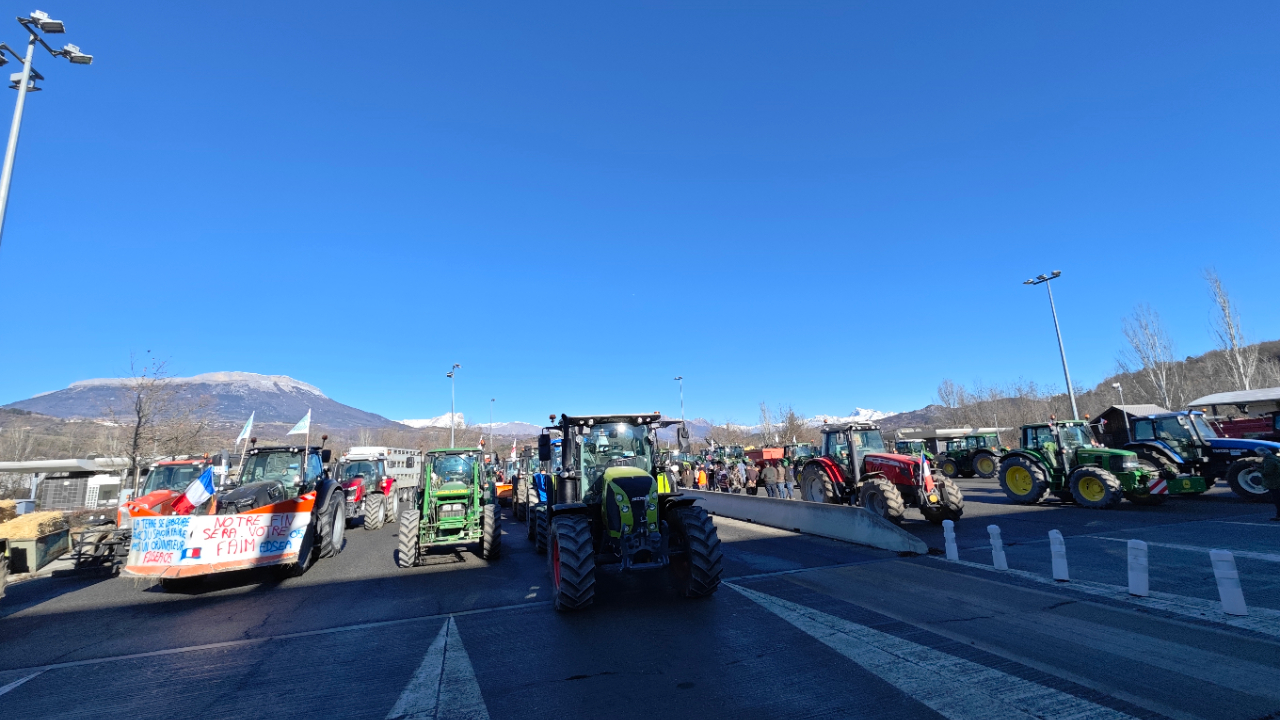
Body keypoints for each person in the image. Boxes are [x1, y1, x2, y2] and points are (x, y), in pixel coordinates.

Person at [1259, 447, 1280, 521]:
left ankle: (1279, 515)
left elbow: (1268, 472)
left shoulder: (1269, 461)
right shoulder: (1276, 459)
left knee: (1277, 499)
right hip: (1277, 481)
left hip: (1274, 483)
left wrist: (1257, 469)